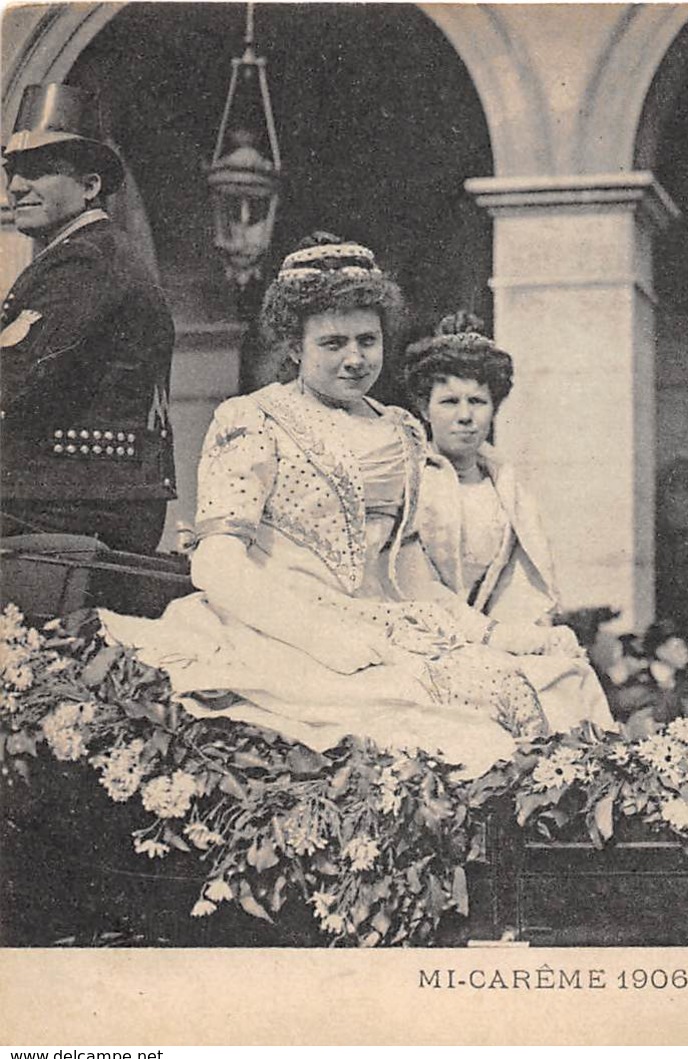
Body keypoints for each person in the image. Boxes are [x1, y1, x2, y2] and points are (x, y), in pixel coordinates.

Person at [99, 234, 602, 777]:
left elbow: (409, 572)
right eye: (333, 343)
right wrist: (323, 638)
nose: (355, 359)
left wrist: (490, 634)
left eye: (368, 339)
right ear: (295, 346)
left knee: (547, 686)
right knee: (455, 733)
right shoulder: (253, 419)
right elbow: (217, 564)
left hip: (388, 623)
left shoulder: (403, 431)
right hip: (278, 629)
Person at [404, 311, 613, 732]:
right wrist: (487, 635)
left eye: (478, 402)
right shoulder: (407, 481)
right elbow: (409, 582)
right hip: (418, 637)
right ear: (425, 410)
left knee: (567, 680)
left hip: (493, 639)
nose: (466, 416)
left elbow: (517, 585)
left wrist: (526, 636)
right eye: (449, 402)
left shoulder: (506, 488)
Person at [0, 83, 175, 553]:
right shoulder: (94, 255)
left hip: (73, 501)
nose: (17, 187)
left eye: (39, 171)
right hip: (77, 494)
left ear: (90, 186)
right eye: (12, 170)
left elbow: (12, 381)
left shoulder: (87, 261)